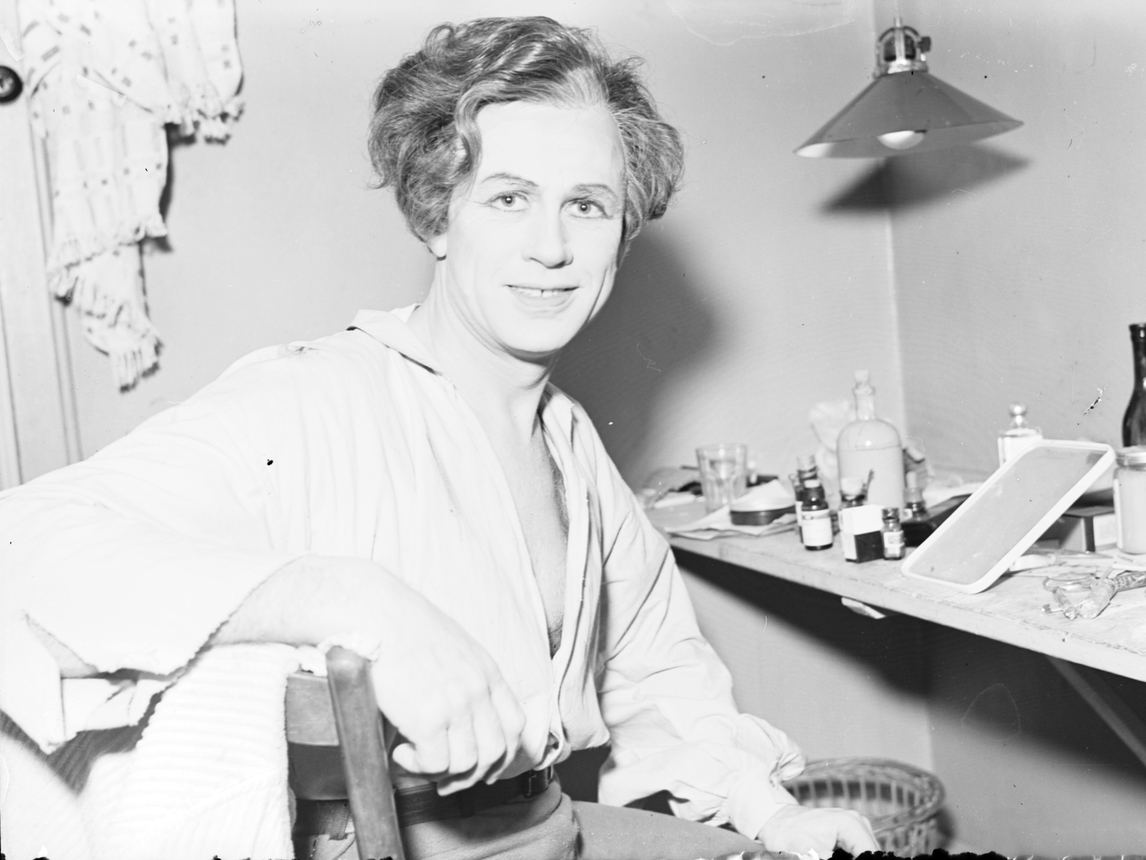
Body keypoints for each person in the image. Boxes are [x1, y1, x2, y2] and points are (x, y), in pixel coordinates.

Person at [0, 16, 878, 860]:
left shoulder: (570, 440)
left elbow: (656, 676)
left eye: (586, 205)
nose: (551, 247)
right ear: (434, 213)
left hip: (548, 826)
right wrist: (345, 594)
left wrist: (770, 810)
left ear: (622, 233)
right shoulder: (315, 400)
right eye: (509, 198)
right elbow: (22, 549)